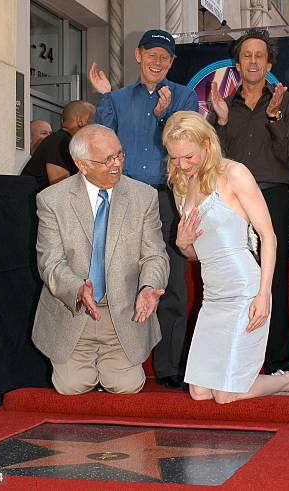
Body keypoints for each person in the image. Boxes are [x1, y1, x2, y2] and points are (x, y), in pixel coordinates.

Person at [163, 111, 289, 403]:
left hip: (245, 290)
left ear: (207, 145)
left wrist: (263, 294)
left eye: (188, 157)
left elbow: (268, 236)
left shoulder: (234, 173)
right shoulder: (181, 185)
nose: (182, 166)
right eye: (174, 158)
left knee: (225, 395)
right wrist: (182, 244)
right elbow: (197, 253)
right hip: (213, 296)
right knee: (199, 392)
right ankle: (286, 380)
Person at [90, 29, 199, 389]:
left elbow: (190, 145)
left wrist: (165, 115)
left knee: (171, 284)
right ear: (138, 55)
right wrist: (104, 97)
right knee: (119, 277)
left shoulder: (184, 96)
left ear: (171, 62)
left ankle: (170, 367)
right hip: (126, 196)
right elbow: (102, 144)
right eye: (151, 54)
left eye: (165, 57)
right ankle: (117, 361)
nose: (157, 62)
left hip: (169, 196)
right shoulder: (118, 99)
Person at [32, 124, 169, 395]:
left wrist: (147, 288)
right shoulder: (52, 201)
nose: (116, 163)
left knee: (126, 387)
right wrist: (78, 289)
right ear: (81, 164)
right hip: (74, 312)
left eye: (119, 154)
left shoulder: (145, 197)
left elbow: (155, 254)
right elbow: (50, 262)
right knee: (71, 387)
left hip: (125, 314)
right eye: (107, 159)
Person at [207, 28, 289, 375]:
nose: (252, 60)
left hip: (273, 197)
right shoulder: (223, 105)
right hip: (231, 202)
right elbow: (210, 159)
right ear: (237, 63)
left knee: (271, 279)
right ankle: (236, 361)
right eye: (246, 55)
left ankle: (278, 364)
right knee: (234, 279)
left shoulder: (288, 102)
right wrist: (219, 121)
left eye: (259, 55)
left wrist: (275, 118)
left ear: (268, 63)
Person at [21, 101, 95, 191]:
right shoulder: (60, 142)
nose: (97, 125)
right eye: (94, 120)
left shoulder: (65, 141)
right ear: (80, 121)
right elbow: (61, 189)